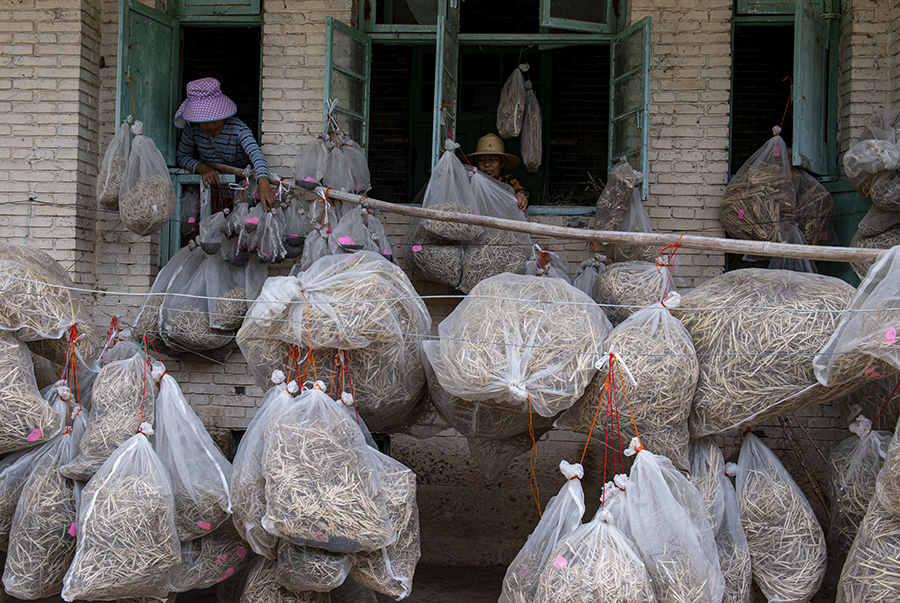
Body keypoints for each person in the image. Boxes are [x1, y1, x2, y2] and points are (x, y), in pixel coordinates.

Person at [174, 77, 277, 210]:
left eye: (215, 119)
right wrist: (201, 168)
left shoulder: (238, 129)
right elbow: (182, 156)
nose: (211, 125)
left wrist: (263, 180)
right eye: (204, 121)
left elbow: (256, 154)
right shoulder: (192, 130)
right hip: (212, 194)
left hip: (242, 193)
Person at [469, 133, 529, 211]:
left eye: (493, 160)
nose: (487, 164)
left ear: (502, 163)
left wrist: (521, 196)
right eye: (482, 160)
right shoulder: (471, 181)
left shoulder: (508, 180)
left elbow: (521, 190)